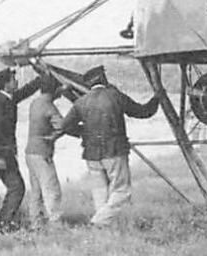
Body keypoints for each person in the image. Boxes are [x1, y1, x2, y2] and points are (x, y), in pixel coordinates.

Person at [58, 66, 159, 225]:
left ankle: (103, 229)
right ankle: (98, 222)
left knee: (100, 194)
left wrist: (84, 133)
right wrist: (157, 98)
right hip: (114, 151)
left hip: (91, 154)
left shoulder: (81, 102)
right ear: (103, 79)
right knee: (122, 191)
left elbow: (64, 126)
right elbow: (142, 112)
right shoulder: (115, 96)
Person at [0, 67, 43, 231]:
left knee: (17, 187)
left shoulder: (7, 99)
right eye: (13, 80)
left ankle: (3, 223)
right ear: (6, 84)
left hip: (2, 153)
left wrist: (41, 78)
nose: (17, 82)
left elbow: (24, 92)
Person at [23, 75, 67, 227]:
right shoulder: (49, 106)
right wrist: (53, 137)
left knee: (37, 191)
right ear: (54, 89)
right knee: (51, 188)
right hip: (42, 152)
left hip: (30, 152)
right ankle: (56, 224)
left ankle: (36, 224)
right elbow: (63, 126)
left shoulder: (34, 103)